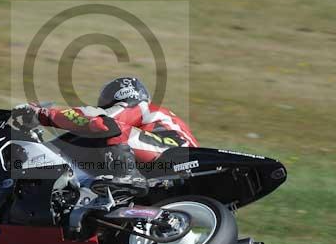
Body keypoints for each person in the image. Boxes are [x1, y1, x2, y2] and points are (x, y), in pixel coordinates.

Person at [13, 77, 199, 198]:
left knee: (104, 125)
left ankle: (128, 176)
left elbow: (99, 121)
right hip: (170, 161)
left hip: (174, 152)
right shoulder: (150, 119)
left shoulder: (139, 106)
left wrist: (43, 114)